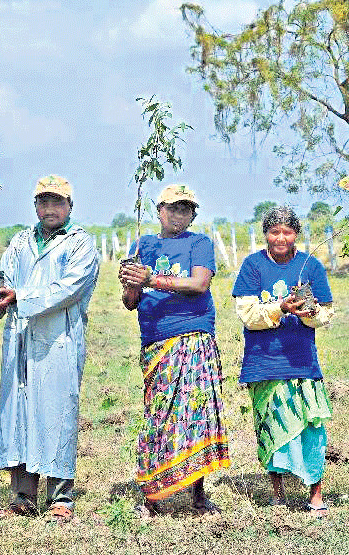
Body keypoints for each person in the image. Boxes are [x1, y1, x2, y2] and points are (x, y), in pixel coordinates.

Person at [0, 175, 100, 522]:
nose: (50, 208)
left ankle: (61, 497)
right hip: (20, 337)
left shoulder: (80, 243)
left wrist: (20, 296)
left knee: (57, 412)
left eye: (57, 202)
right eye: (43, 202)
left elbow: (69, 287)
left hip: (59, 340)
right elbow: (5, 279)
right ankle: (22, 494)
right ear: (35, 206)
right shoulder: (21, 241)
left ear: (70, 206)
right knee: (18, 410)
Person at [118, 184, 231, 517]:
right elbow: (129, 303)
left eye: (186, 209)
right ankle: (152, 497)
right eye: (173, 207)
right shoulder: (143, 245)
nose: (179, 214)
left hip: (193, 337)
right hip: (156, 341)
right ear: (159, 210)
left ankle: (198, 494)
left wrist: (152, 280)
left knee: (196, 417)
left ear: (193, 215)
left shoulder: (199, 243)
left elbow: (199, 284)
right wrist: (131, 284)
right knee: (159, 418)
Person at [232, 205, 335, 517]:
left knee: (312, 427)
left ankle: (315, 495)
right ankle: (277, 495)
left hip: (303, 361)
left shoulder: (310, 266)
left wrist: (311, 312)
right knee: (272, 428)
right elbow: (248, 315)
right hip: (265, 361)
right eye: (274, 231)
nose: (280, 238)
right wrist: (281, 308)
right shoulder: (252, 265)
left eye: (287, 232)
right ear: (265, 234)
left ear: (296, 235)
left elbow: (327, 312)